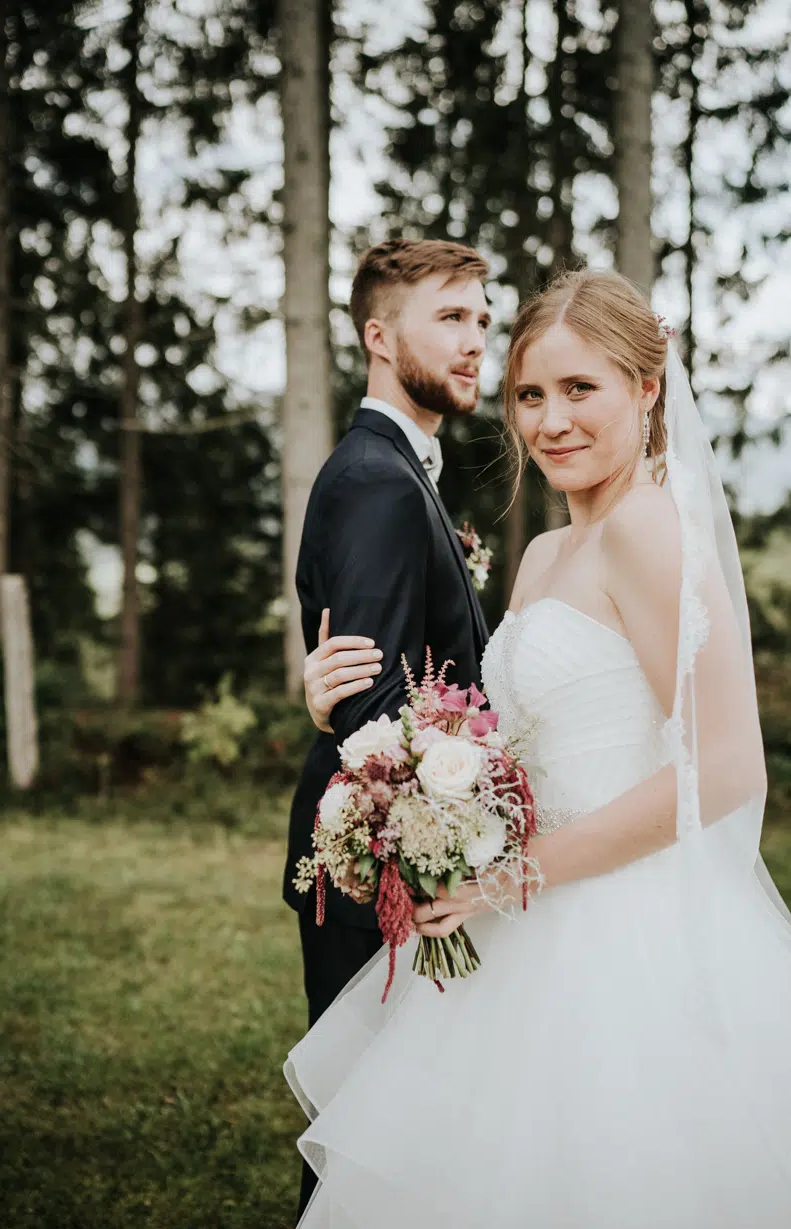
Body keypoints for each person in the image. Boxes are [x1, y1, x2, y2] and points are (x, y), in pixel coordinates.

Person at [286, 269, 791, 1228]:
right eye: (529, 395)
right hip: (517, 924)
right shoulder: (550, 553)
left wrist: (510, 877)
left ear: (646, 390)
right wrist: (343, 718)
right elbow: (492, 731)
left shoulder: (649, 530)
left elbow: (726, 767)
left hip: (620, 934)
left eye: (578, 389)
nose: (550, 420)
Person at [282, 237, 492, 1221]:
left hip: (391, 856)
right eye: (450, 316)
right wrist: (445, 851)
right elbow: (373, 707)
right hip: (379, 867)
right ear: (378, 335)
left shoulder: (400, 468)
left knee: (397, 1137)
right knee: (368, 1144)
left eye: (482, 319)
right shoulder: (375, 476)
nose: (475, 340)